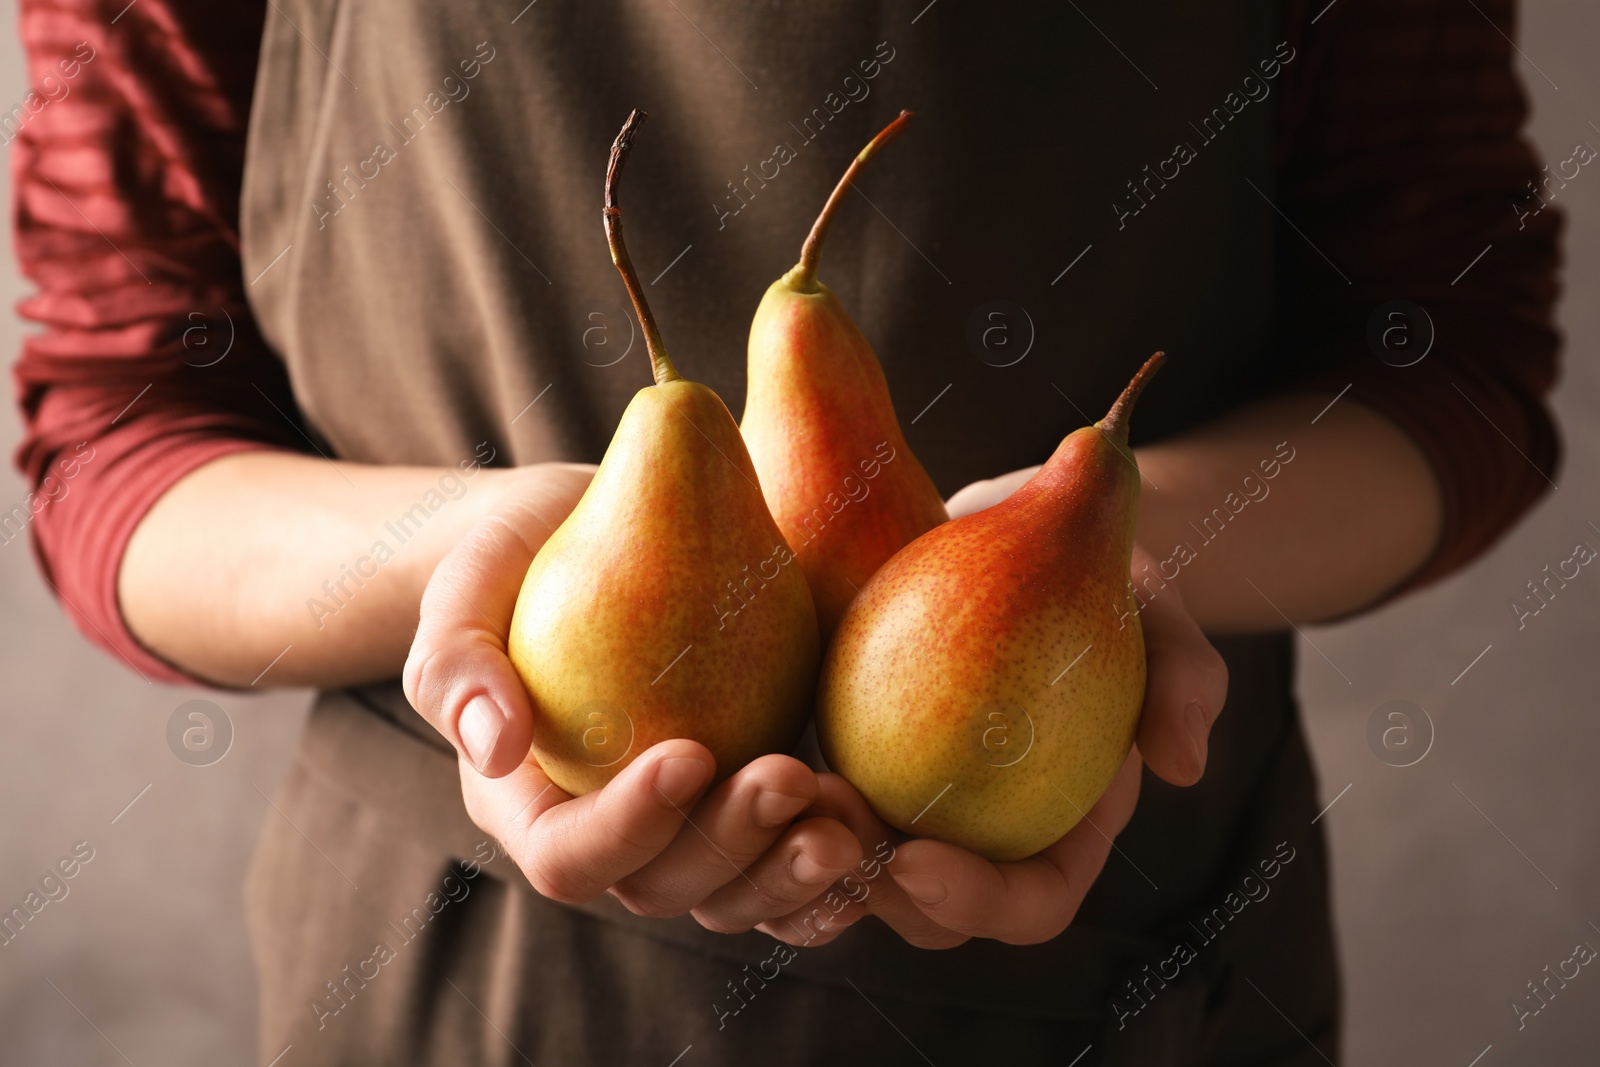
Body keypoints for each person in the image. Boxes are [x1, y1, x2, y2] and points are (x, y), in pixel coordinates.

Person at [12, 0, 1560, 1063]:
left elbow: (1453, 364)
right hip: (456, 987)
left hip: (1127, 961)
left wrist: (1100, 563)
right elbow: (113, 427)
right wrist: (463, 549)